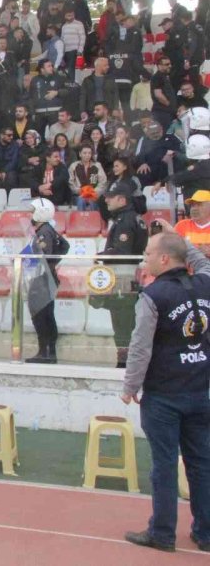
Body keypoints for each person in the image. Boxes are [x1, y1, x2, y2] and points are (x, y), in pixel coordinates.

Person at [121, 232, 210, 553]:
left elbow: (140, 347)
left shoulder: (152, 296)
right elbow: (202, 263)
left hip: (164, 394)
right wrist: (182, 240)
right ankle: (206, 532)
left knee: (165, 464)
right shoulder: (205, 283)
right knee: (201, 463)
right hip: (200, 389)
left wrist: (130, 386)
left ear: (163, 259)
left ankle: (162, 532)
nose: (144, 261)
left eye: (147, 254)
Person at [95, 181, 149, 368]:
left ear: (121, 199)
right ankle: (129, 360)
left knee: (122, 323)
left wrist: (98, 256)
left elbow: (121, 251)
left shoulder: (125, 220)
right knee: (127, 322)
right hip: (128, 276)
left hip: (123, 278)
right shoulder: (134, 218)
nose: (107, 200)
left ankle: (126, 362)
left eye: (110, 197)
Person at [24, 199, 70, 364]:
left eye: (32, 211)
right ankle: (47, 352)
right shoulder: (47, 229)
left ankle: (45, 352)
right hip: (45, 277)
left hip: (42, 278)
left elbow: (41, 256)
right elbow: (65, 246)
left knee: (41, 316)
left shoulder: (44, 231)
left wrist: (49, 263)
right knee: (45, 315)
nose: (30, 214)